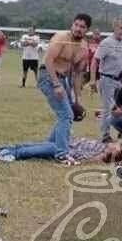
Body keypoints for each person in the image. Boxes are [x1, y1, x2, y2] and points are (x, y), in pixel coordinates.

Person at [39, 14, 91, 163]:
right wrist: (56, 85)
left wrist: (77, 98)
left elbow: (77, 74)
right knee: (66, 115)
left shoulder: (83, 47)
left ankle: (50, 146)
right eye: (76, 25)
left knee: (68, 114)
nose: (78, 29)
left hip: (64, 78)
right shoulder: (60, 37)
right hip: (48, 75)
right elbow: (48, 60)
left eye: (82, 27)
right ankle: (61, 154)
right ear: (72, 25)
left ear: (86, 30)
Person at [91, 17, 122, 142]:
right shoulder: (106, 43)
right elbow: (94, 61)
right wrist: (92, 80)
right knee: (108, 109)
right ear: (114, 28)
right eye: (121, 28)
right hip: (107, 79)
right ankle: (105, 135)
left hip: (121, 82)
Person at [0, 136, 122, 164]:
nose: (117, 143)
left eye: (118, 146)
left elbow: (81, 159)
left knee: (25, 152)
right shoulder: (101, 145)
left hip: (61, 150)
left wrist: (107, 156)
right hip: (63, 144)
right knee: (26, 146)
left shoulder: (100, 155)